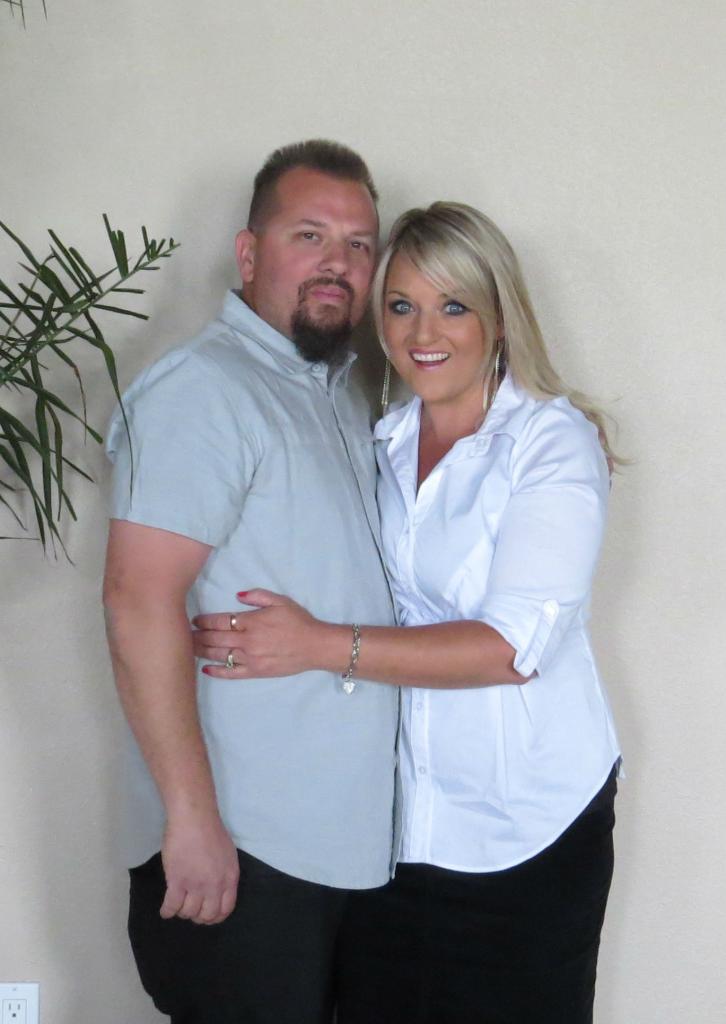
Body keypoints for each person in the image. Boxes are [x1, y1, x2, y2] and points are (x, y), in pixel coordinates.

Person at [193, 201, 622, 1024]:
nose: (424, 332)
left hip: (526, 828)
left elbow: (509, 649)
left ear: (499, 317)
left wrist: (317, 645)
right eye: (401, 305)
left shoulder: (551, 443)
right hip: (395, 830)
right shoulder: (380, 441)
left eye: (453, 305)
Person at [102, 139, 400, 1024]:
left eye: (357, 244)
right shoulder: (203, 391)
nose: (338, 263)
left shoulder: (340, 389)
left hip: (340, 846)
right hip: (241, 847)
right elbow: (136, 601)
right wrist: (192, 822)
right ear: (248, 253)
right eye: (309, 236)